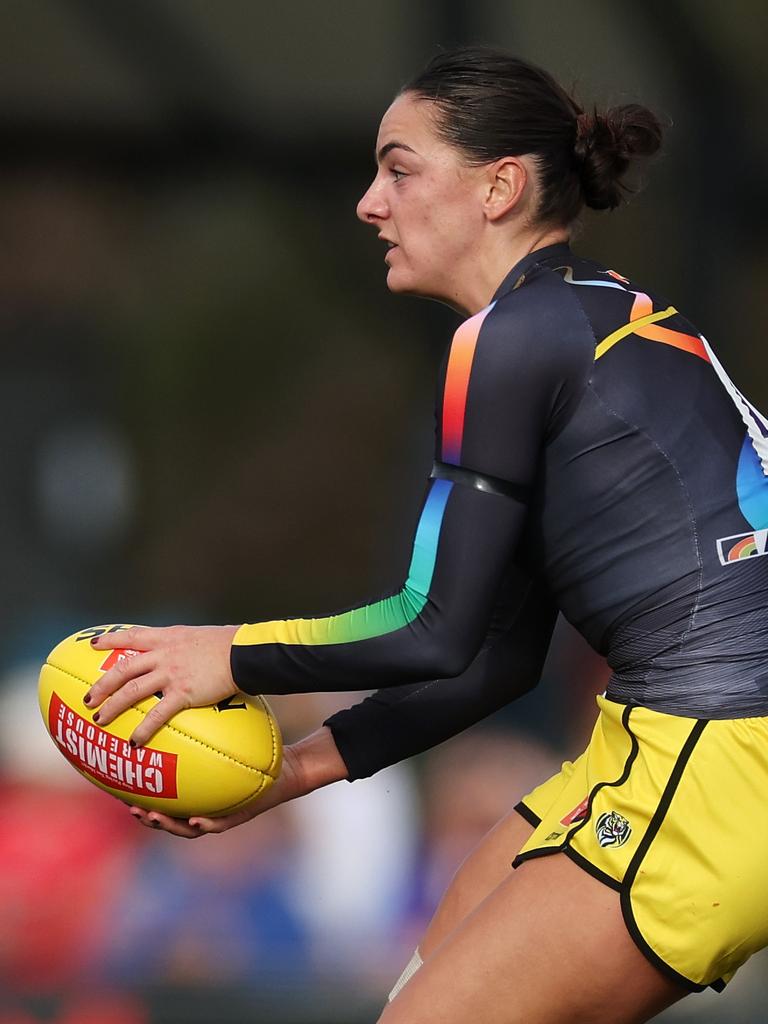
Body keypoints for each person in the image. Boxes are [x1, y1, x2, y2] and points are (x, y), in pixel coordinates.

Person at [82, 47, 768, 1024]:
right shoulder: (593, 317)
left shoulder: (509, 340)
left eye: (399, 168)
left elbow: (430, 623)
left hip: (723, 751)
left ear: (500, 186)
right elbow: (493, 659)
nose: (370, 202)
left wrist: (224, 651)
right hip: (674, 742)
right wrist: (291, 773)